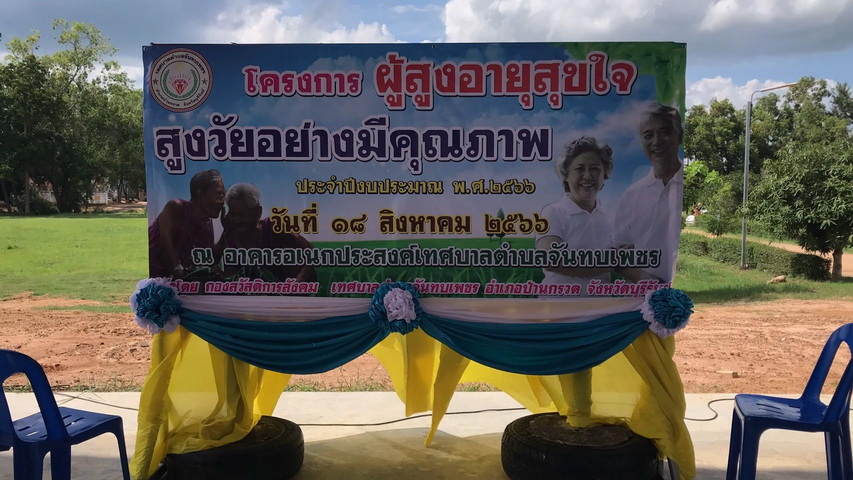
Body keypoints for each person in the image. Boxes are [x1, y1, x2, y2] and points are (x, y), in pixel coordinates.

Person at [613, 102, 685, 283]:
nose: (656, 141)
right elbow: (617, 255)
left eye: (665, 132)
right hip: (640, 295)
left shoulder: (690, 185)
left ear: (680, 135)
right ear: (641, 142)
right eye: (648, 135)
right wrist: (653, 284)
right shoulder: (632, 195)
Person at [536, 136, 615, 293]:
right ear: (566, 175)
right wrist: (608, 263)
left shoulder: (610, 217)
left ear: (605, 173)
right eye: (579, 169)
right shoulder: (552, 213)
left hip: (601, 305)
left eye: (595, 168)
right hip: (559, 305)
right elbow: (550, 260)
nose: (588, 176)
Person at [215, 182, 317, 282]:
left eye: (241, 215)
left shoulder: (272, 227)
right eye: (232, 214)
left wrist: (299, 280)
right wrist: (226, 231)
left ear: (258, 212)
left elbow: (310, 252)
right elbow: (212, 260)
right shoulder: (229, 232)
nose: (236, 220)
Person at [148, 169, 225, 278]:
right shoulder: (176, 207)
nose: (222, 202)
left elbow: (210, 258)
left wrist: (227, 229)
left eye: (223, 196)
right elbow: (165, 242)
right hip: (159, 279)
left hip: (179, 282)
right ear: (200, 195)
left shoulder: (206, 222)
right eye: (218, 195)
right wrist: (177, 267)